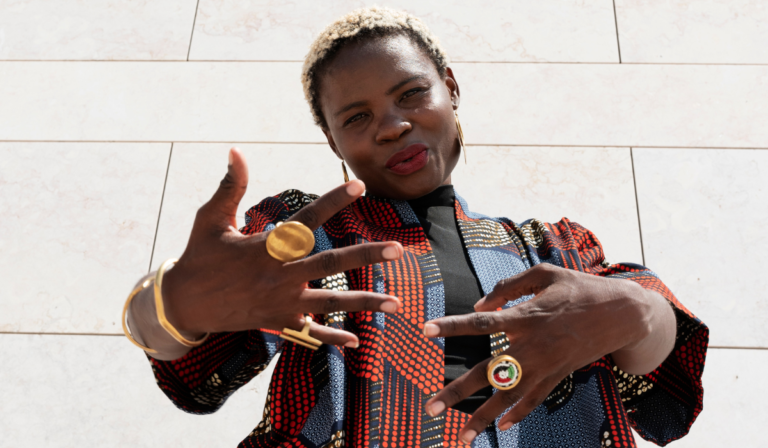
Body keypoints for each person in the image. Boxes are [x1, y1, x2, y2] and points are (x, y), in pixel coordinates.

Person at [123, 7, 708, 447]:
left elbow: (655, 377)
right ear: (333, 141)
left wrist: (639, 312)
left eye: (411, 93)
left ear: (451, 89)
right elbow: (193, 371)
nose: (391, 126)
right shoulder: (304, 238)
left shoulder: (555, 248)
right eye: (357, 117)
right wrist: (175, 303)